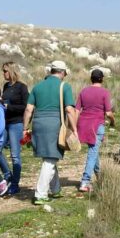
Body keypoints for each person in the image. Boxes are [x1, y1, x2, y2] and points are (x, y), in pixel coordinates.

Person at [22, 62, 79, 204]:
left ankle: (56, 189)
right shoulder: (64, 86)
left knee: (48, 157)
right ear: (62, 72)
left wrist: (24, 128)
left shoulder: (37, 86)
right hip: (54, 125)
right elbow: (69, 110)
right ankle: (40, 194)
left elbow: (29, 109)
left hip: (38, 123)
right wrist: (74, 129)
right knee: (50, 159)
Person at [76, 69, 114, 192]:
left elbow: (77, 111)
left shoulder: (83, 91)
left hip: (83, 125)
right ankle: (85, 182)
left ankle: (99, 176)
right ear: (102, 79)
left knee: (94, 150)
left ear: (91, 78)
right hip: (97, 125)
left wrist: (73, 127)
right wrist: (113, 121)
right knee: (93, 152)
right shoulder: (104, 92)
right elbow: (108, 113)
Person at [0, 62, 29, 196]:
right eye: (3, 71)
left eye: (5, 71)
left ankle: (15, 184)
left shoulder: (22, 87)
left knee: (15, 155)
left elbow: (25, 107)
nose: (3, 73)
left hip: (16, 123)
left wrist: (9, 107)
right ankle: (8, 176)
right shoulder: (6, 86)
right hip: (5, 123)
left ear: (12, 71)